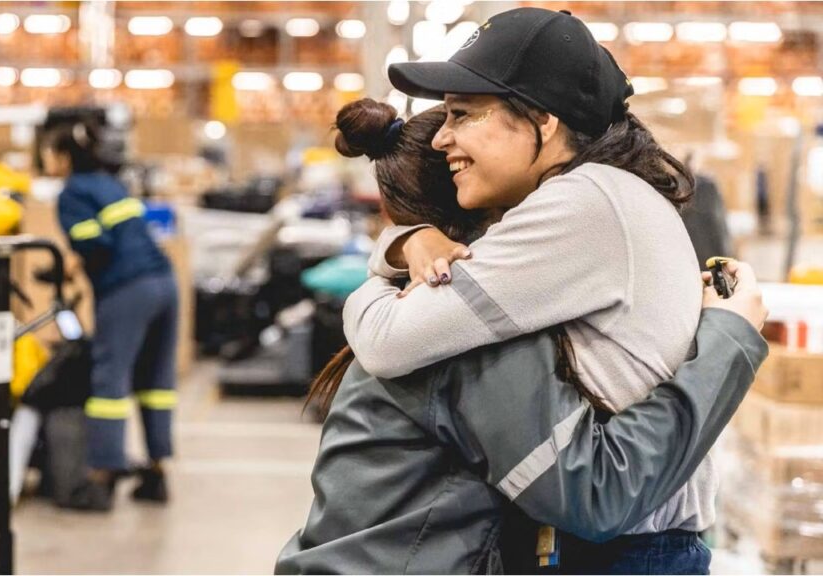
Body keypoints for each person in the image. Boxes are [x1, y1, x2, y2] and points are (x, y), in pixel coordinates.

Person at [276, 101, 769, 574]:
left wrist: (397, 244)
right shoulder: (468, 333)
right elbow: (595, 494)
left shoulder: (416, 302)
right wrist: (729, 339)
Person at [342, 7, 722, 568]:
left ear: (543, 121)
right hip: (628, 542)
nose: (443, 137)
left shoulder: (580, 204)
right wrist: (404, 242)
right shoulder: (605, 195)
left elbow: (386, 339)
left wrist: (392, 251)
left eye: (463, 114)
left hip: (628, 552)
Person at [41, 122, 177, 509]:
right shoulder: (109, 183)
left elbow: (96, 244)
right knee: (155, 380)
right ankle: (156, 473)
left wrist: (68, 266)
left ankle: (100, 479)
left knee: (110, 379)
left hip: (126, 288)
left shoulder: (71, 193)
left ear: (64, 157)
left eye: (50, 152)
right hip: (163, 282)